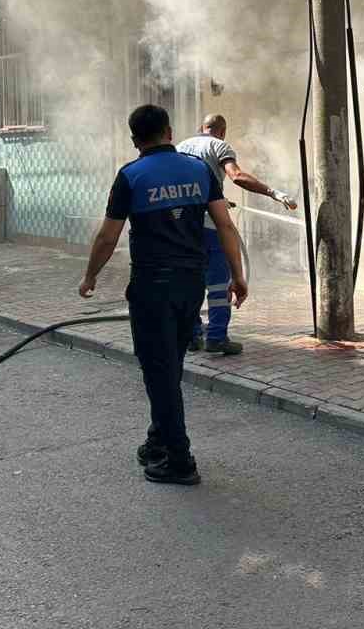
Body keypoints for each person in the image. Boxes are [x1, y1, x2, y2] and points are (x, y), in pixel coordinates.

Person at [79, 104, 248, 485]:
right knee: (168, 364)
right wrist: (237, 275)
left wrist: (90, 276)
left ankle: (180, 459)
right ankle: (158, 440)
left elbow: (108, 236)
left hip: (153, 287)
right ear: (169, 132)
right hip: (192, 285)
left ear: (135, 140)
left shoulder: (131, 176)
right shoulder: (199, 170)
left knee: (159, 370)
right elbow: (224, 224)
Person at [176, 114, 297, 356]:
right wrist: (274, 193)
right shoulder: (218, 145)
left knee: (189, 281)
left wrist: (220, 200)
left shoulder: (179, 147)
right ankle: (217, 337)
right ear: (222, 131)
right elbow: (237, 176)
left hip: (181, 227)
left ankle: (191, 336)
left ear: (202, 128)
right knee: (219, 283)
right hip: (210, 225)